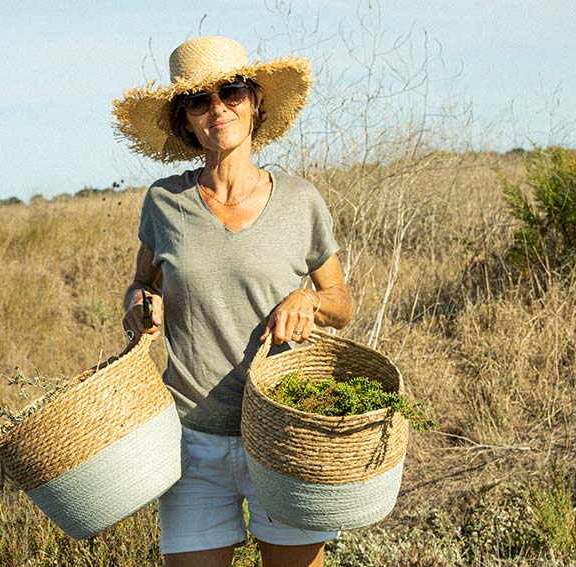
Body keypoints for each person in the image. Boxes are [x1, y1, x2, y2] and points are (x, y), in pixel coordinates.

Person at [113, 36, 353, 567]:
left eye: (232, 92)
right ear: (186, 121)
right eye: (199, 101)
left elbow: (341, 302)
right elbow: (140, 283)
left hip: (285, 430)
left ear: (255, 101)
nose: (217, 109)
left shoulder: (300, 201)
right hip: (192, 437)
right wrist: (140, 305)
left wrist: (307, 302)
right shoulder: (164, 202)